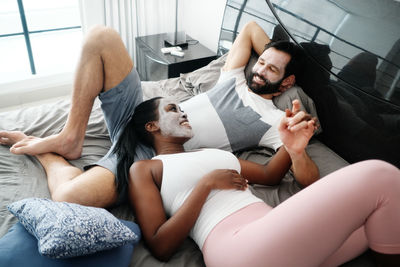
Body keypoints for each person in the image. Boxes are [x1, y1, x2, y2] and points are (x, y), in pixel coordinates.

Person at [0, 21, 318, 207]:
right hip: (141, 115)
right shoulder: (233, 76)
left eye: (271, 69)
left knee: (68, 197)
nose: (259, 70)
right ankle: (72, 137)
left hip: (149, 152)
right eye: (260, 61)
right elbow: (249, 28)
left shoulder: (273, 122)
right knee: (101, 37)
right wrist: (281, 53)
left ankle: (46, 154)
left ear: (287, 81)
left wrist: (298, 144)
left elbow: (307, 177)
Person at [114, 96, 400, 267]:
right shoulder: (145, 168)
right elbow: (160, 247)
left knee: (379, 217)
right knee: (381, 175)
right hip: (237, 248)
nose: (184, 112)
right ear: (151, 127)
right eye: (173, 109)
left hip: (278, 240)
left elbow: (270, 176)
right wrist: (206, 185)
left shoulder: (212, 153)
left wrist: (291, 145)